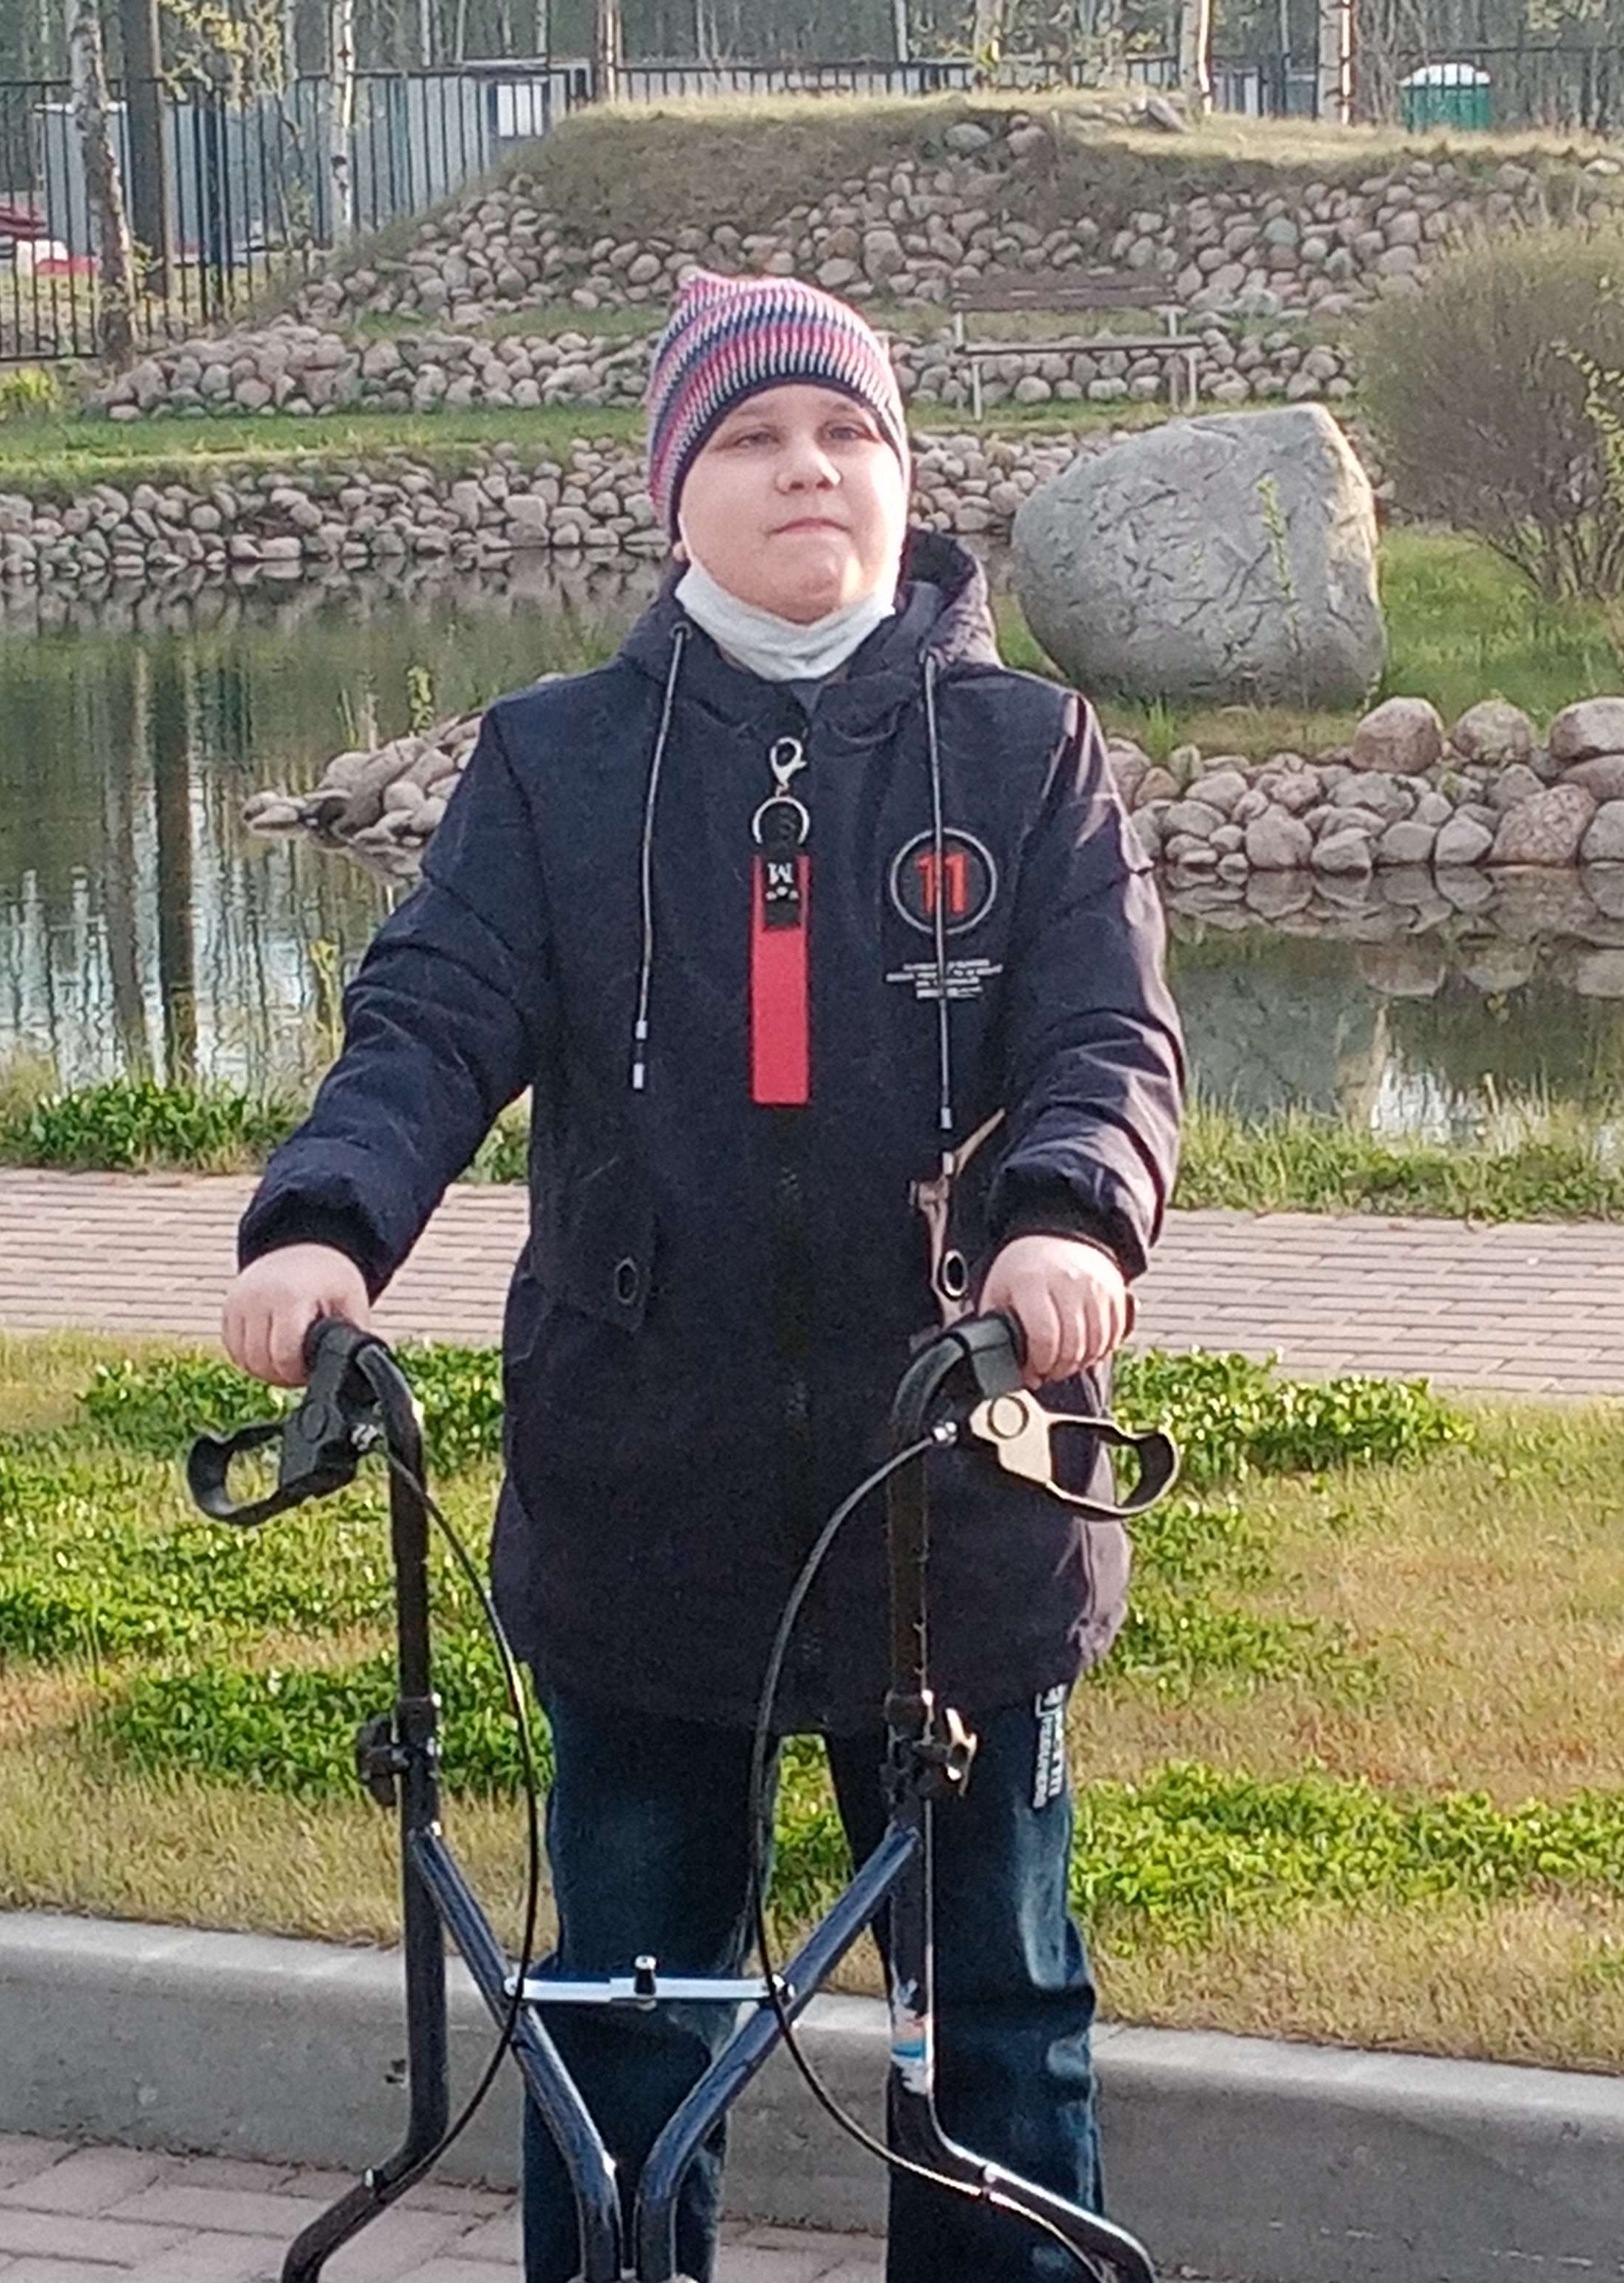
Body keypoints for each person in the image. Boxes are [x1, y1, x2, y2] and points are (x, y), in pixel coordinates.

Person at [221, 267, 1185, 2283]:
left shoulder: (1029, 752)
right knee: (624, 2020)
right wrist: (323, 1223)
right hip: (645, 1504)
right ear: (676, 493)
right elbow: (428, 1022)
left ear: (904, 475)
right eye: (752, 438)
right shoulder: (556, 764)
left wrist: (1071, 1218)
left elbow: (1110, 1042)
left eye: (845, 433)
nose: (805, 469)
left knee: (995, 2023)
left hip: (959, 1496)